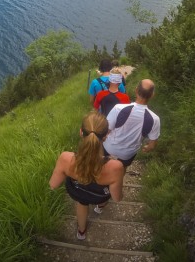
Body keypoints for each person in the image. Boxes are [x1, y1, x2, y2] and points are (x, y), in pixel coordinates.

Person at [49, 111, 125, 240]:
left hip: (77, 192)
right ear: (106, 136)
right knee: (105, 195)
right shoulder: (116, 167)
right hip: (99, 197)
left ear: (80, 132)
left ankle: (81, 231)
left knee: (82, 203)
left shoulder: (65, 158)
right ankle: (100, 208)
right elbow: (117, 197)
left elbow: (53, 185)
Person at [102, 79, 160, 168]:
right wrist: (146, 148)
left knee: (102, 167)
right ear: (152, 95)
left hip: (109, 148)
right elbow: (152, 145)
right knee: (121, 170)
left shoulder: (118, 108)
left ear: (136, 90)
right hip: (127, 155)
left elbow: (106, 131)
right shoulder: (155, 119)